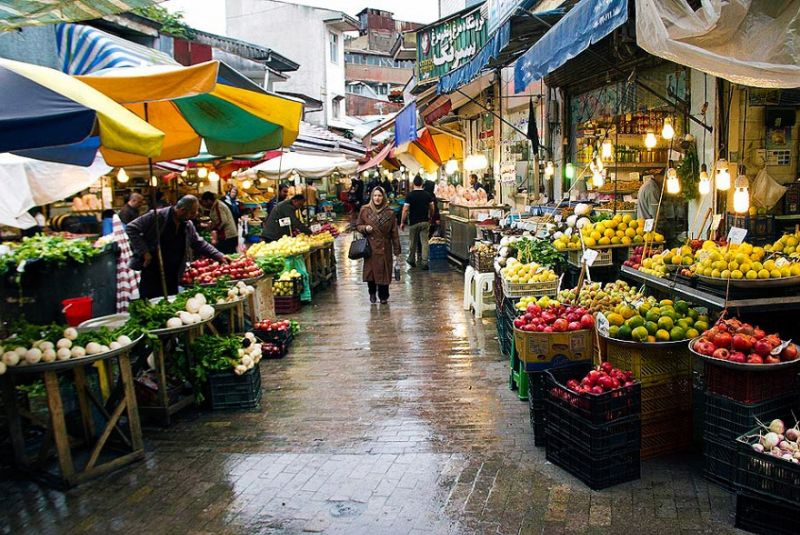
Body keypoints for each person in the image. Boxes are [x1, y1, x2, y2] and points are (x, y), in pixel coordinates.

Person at [126, 195, 228, 299]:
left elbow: (198, 242)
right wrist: (144, 252)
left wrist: (218, 255)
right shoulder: (157, 216)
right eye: (192, 212)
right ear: (182, 210)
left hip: (174, 272)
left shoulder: (187, 224)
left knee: (171, 300)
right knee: (150, 300)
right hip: (153, 269)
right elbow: (131, 228)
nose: (195, 215)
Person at [357, 187, 400, 304]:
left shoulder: (389, 213)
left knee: (384, 271)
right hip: (370, 247)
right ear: (372, 196)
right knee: (371, 272)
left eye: (380, 196)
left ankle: (383, 296)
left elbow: (394, 233)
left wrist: (397, 251)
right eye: (375, 195)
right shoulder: (365, 210)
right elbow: (358, 225)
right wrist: (365, 228)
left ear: (383, 197)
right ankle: (372, 293)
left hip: (384, 247)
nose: (377, 198)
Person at [401, 176, 435, 270]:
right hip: (425, 221)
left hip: (413, 222)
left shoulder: (410, 195)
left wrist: (402, 222)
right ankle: (425, 262)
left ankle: (411, 259)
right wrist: (431, 217)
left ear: (413, 184)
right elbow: (432, 208)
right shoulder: (427, 195)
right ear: (422, 184)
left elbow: (405, 209)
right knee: (425, 242)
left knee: (413, 242)